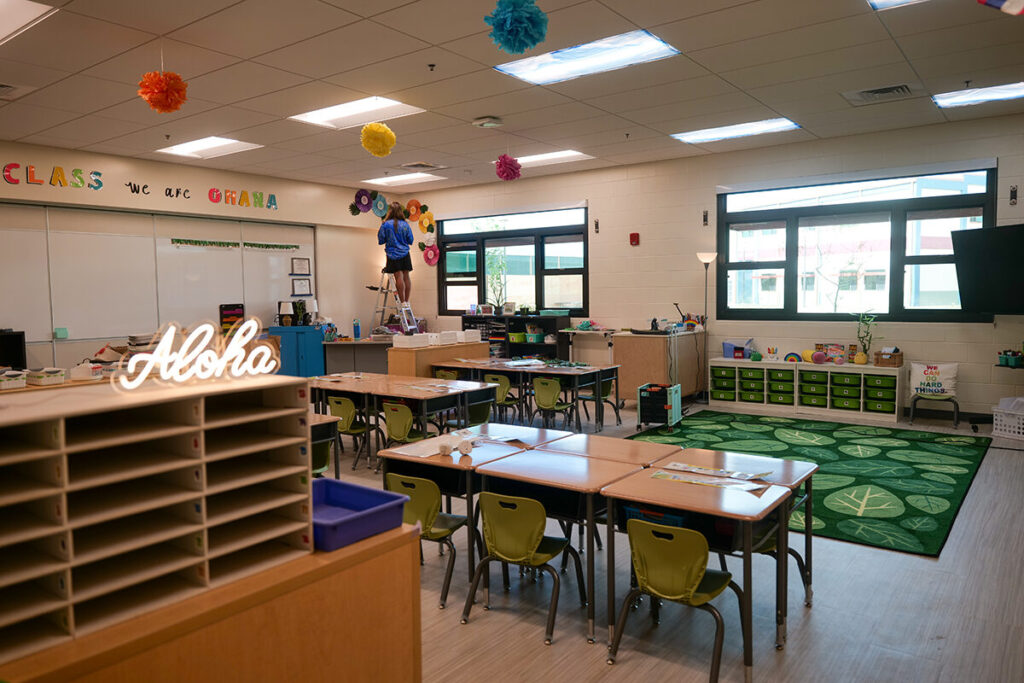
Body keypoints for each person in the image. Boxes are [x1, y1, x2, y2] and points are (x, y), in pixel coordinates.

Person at [377, 201, 414, 304]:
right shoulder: (405, 225)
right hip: (405, 253)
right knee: (406, 276)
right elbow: (410, 240)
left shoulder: (385, 225)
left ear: (390, 212)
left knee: (398, 276)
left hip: (392, 254)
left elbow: (381, 240)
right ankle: (406, 301)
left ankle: (402, 302)